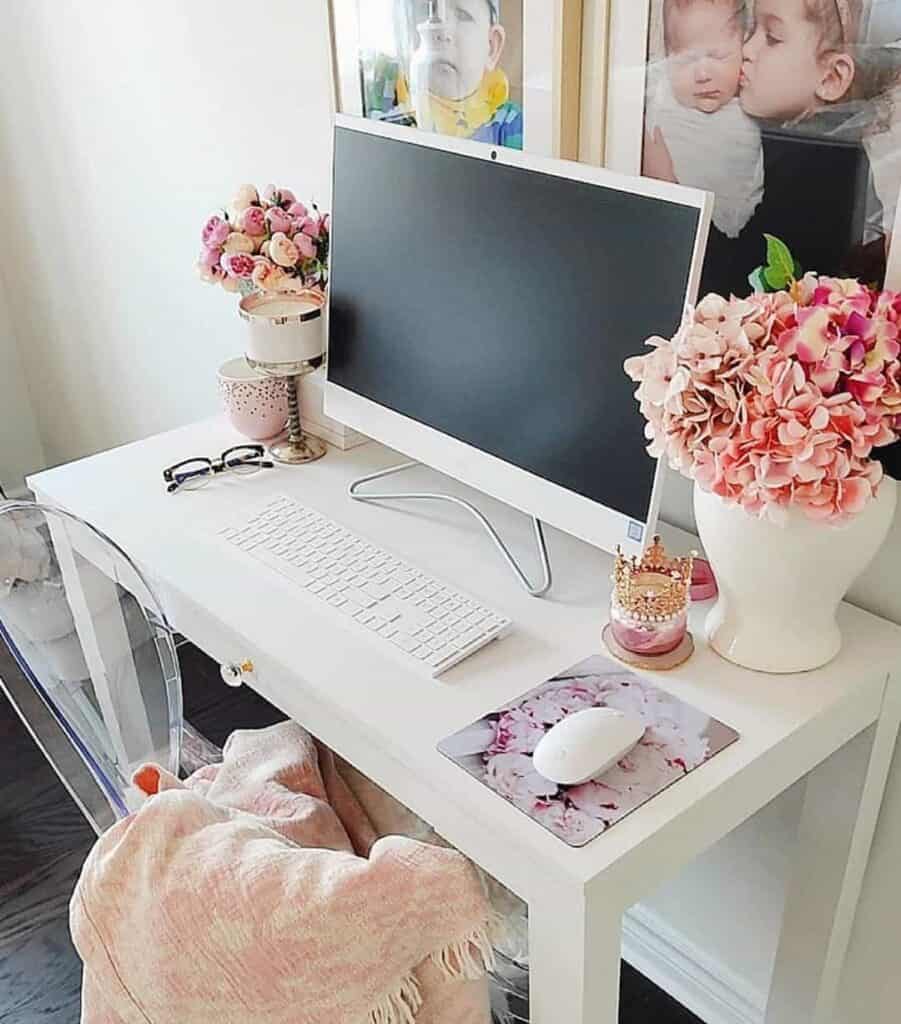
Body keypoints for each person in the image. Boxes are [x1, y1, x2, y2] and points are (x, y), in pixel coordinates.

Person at [644, 0, 764, 238]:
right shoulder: (658, 94)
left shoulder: (753, 104)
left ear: (743, 50)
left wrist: (665, 181)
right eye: (686, 60)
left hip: (717, 239)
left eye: (719, 56)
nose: (703, 74)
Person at [377, 0, 524, 149]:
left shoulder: (510, 124)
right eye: (427, 9)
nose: (441, 31)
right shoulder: (381, 90)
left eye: (462, 15)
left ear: (492, 46)